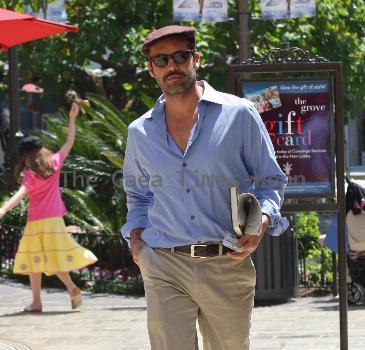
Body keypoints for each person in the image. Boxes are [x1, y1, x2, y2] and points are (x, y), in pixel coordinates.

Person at [121, 25, 289, 350]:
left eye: (180, 56)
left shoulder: (239, 114)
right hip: (163, 263)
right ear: (150, 69)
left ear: (196, 59)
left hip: (226, 260)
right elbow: (138, 194)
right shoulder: (139, 132)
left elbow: (271, 179)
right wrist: (137, 240)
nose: (172, 66)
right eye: (161, 60)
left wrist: (263, 221)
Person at [0, 103, 97, 313]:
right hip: (55, 220)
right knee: (53, 256)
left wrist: (3, 209)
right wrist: (72, 119)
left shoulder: (29, 174)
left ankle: (37, 301)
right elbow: (69, 142)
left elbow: (21, 194)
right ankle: (71, 288)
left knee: (34, 260)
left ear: (25, 155)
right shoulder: (54, 162)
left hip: (36, 222)